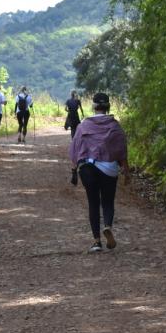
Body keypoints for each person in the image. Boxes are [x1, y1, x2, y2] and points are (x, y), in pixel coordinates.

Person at [69, 92, 128, 252]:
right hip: (109, 168)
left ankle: (96, 242)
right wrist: (126, 170)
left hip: (87, 168)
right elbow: (121, 149)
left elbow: (75, 148)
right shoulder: (115, 126)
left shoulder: (83, 126)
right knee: (108, 201)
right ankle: (107, 225)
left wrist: (74, 170)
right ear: (108, 106)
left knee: (93, 203)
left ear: (94, 106)